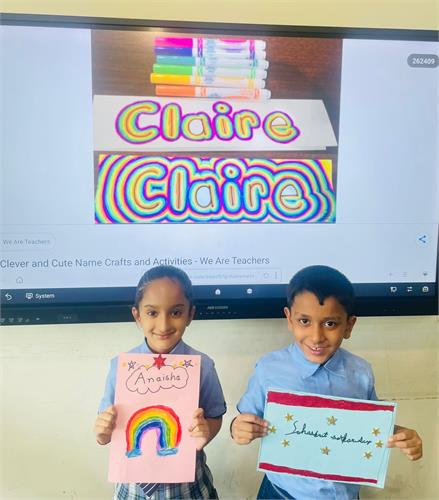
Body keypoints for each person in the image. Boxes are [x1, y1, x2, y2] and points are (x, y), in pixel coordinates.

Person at [231, 265, 422, 499]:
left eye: (330, 324)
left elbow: (371, 427)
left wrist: (401, 435)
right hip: (282, 493)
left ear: (349, 326)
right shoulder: (268, 369)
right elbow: (244, 420)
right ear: (289, 319)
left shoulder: (360, 372)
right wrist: (237, 428)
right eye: (304, 321)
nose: (316, 337)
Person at [94, 265, 226, 499]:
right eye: (152, 313)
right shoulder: (120, 367)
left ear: (190, 315)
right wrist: (102, 434)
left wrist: (206, 433)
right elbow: (106, 427)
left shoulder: (203, 365)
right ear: (137, 316)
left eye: (175, 312)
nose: (164, 325)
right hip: (133, 488)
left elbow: (215, 415)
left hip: (189, 487)